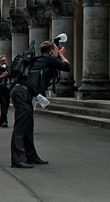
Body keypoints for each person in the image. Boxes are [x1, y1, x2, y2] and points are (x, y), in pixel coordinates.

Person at [10, 40, 71, 168]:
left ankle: (31, 156)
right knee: (21, 127)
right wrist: (61, 55)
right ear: (52, 51)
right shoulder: (48, 58)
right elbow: (66, 67)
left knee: (28, 127)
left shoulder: (39, 59)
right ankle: (17, 160)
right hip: (22, 93)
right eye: (56, 49)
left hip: (22, 92)